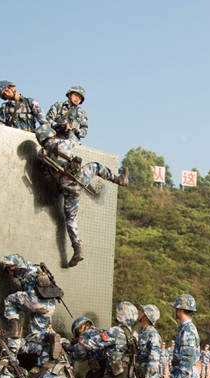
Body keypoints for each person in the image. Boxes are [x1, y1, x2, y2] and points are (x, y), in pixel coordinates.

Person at [35, 86, 129, 267]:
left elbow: (81, 132)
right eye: (75, 95)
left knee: (70, 218)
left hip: (65, 186)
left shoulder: (42, 155)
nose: (77, 98)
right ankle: (119, 179)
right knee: (94, 166)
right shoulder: (62, 144)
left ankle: (78, 249)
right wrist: (67, 129)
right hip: (77, 179)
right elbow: (69, 138)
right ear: (69, 95)